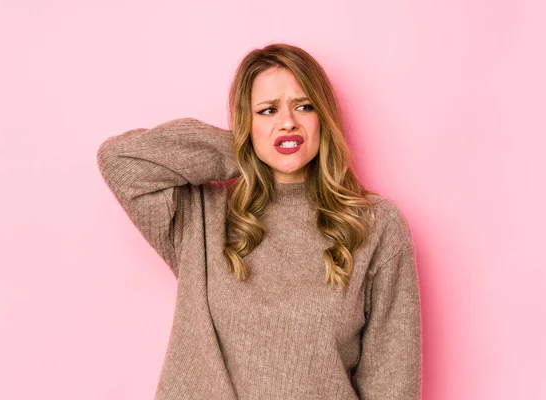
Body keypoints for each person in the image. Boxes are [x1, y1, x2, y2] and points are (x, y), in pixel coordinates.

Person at [97, 43, 422, 399]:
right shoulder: (204, 215)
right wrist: (247, 150)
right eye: (267, 110)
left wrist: (263, 137)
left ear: (324, 118)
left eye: (304, 106)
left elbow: (392, 385)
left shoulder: (376, 226)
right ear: (245, 122)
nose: (287, 122)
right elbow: (119, 160)